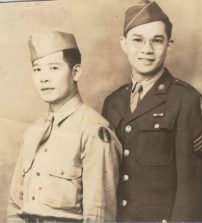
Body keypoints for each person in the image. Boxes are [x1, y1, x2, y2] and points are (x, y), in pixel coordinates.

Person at [102, 0, 202, 222]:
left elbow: (193, 191)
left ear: (169, 45)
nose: (147, 50)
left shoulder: (187, 101)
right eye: (138, 40)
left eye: (157, 41)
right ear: (123, 43)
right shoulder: (112, 102)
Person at [7, 31, 122, 222]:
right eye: (37, 69)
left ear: (75, 72)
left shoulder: (93, 130)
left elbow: (98, 215)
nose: (43, 78)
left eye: (53, 68)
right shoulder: (33, 131)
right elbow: (15, 206)